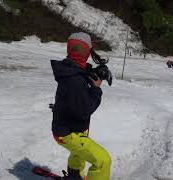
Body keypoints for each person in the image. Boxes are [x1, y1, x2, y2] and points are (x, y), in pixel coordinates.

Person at [50, 32, 111, 180]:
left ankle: (74, 176)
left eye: (80, 49)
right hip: (68, 132)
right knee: (103, 161)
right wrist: (96, 88)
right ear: (89, 51)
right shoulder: (74, 80)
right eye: (81, 50)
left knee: (79, 154)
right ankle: (74, 175)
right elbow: (85, 110)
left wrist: (95, 72)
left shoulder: (70, 68)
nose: (81, 53)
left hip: (72, 127)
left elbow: (80, 71)